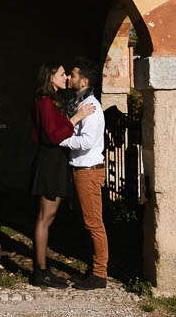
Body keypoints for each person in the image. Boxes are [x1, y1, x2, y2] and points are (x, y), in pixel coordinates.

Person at [30, 62, 95, 288]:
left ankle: (41, 269)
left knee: (48, 217)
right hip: (50, 161)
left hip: (56, 161)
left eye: (67, 73)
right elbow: (53, 135)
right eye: (61, 73)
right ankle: (40, 271)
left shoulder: (54, 101)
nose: (66, 76)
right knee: (44, 217)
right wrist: (76, 118)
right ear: (50, 78)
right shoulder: (46, 102)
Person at [60, 57, 108, 290]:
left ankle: (100, 274)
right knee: (89, 222)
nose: (69, 77)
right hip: (82, 170)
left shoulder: (91, 107)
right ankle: (95, 269)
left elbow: (87, 141)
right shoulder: (80, 103)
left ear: (84, 81)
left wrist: (62, 138)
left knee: (94, 223)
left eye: (73, 74)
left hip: (88, 171)